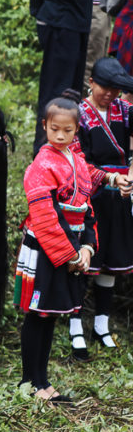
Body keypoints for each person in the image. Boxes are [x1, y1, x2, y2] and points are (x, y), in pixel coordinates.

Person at [16, 92, 131, 402]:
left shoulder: (76, 159)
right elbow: (45, 216)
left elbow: (87, 200)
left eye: (68, 130)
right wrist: (69, 253)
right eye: (55, 129)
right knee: (38, 313)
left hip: (73, 247)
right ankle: (30, 381)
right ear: (45, 126)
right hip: (47, 249)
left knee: (52, 313)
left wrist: (89, 247)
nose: (61, 135)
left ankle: (43, 380)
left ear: (76, 130)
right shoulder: (42, 165)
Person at [32, 0, 132, 151]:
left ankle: (67, 159)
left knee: (72, 95)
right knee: (56, 98)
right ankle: (44, 159)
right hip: (61, 25)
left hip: (78, 24)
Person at [69, 58, 133, 359]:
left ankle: (102, 325)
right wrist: (110, 178)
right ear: (91, 82)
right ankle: (75, 326)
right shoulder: (77, 114)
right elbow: (77, 161)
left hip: (120, 194)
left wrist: (130, 174)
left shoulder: (125, 110)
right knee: (85, 260)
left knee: (111, 260)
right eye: (105, 87)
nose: (110, 94)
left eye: (115, 89)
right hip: (89, 195)